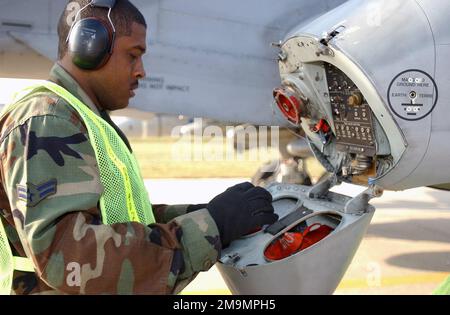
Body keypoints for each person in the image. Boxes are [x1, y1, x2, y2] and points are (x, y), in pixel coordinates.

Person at [0, 0, 278, 295]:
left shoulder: (80, 118)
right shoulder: (50, 121)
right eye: (133, 55)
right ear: (89, 47)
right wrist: (211, 226)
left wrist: (203, 213)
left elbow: (120, 219)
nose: (141, 71)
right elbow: (69, 257)